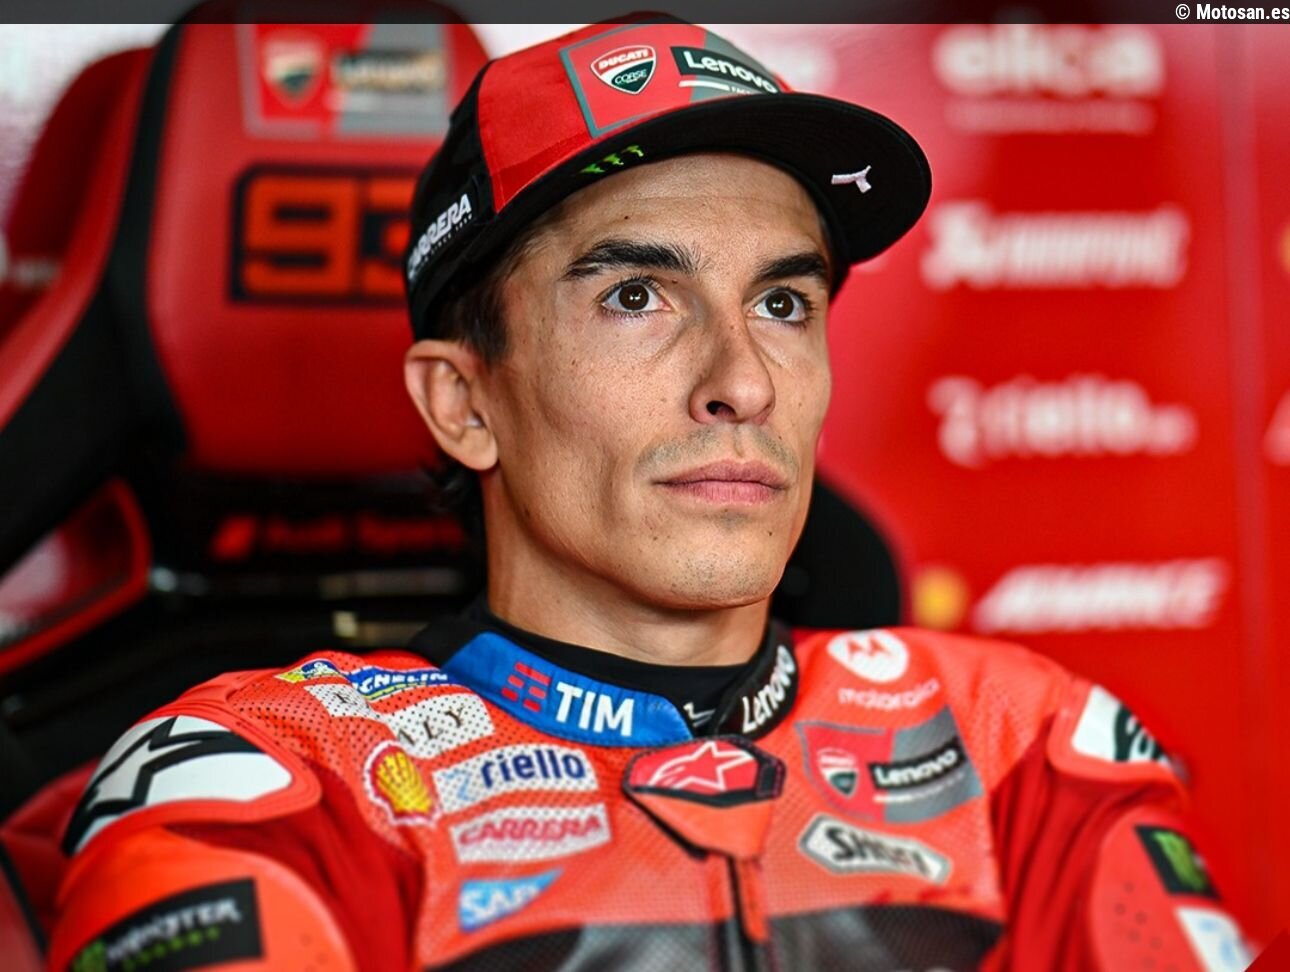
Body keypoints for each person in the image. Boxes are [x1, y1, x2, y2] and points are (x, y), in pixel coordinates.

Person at [50, 17, 1251, 972]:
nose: (743, 380)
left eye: (783, 303)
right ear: (464, 403)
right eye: (637, 296)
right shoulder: (268, 790)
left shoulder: (1026, 750)